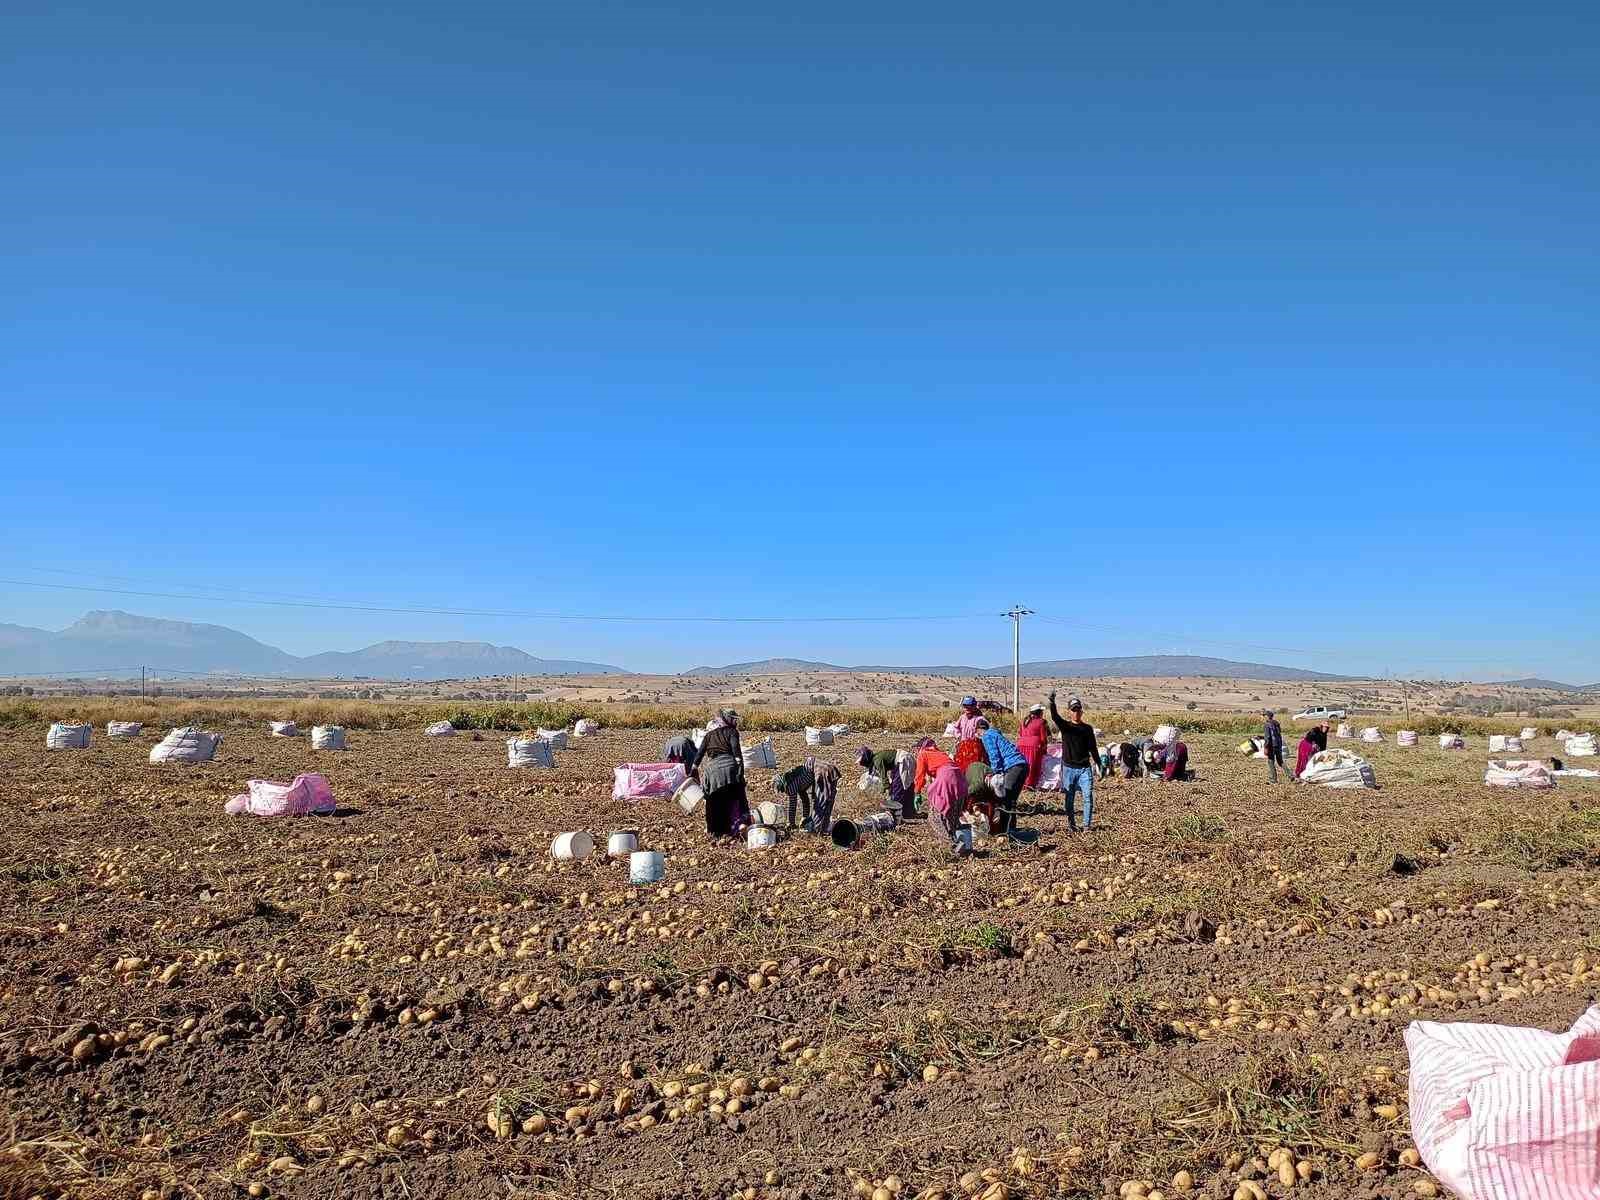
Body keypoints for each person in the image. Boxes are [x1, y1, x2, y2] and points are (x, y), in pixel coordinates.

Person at [1048, 691, 1100, 831]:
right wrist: (1052, 703)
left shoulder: (1087, 729)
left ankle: (1086, 826)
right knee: (1069, 798)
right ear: (1069, 712)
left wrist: (1100, 764)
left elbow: (1093, 748)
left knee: (1087, 796)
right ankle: (1072, 825)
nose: (1076, 712)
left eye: (1078, 709)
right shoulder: (1066, 727)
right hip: (1069, 768)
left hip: (1084, 768)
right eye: (1073, 710)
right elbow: (1055, 717)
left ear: (1081, 712)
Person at [693, 709, 749, 837]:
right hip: (730, 769)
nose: (735, 721)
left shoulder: (709, 735)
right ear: (727, 719)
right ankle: (736, 828)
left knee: (714, 800)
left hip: (712, 771)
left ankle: (715, 831)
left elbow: (698, 756)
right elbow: (737, 754)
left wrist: (693, 771)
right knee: (736, 798)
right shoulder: (732, 732)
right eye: (733, 719)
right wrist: (740, 774)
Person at [976, 717, 1028, 837]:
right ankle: (1011, 829)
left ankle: (1003, 831)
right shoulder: (996, 734)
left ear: (979, 730)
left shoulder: (987, 736)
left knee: (1005, 799)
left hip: (1014, 766)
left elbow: (994, 756)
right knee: (1011, 800)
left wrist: (995, 773)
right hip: (1022, 765)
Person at [773, 757, 839, 832]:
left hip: (823, 772)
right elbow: (805, 801)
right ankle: (824, 827)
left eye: (782, 790)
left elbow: (792, 806)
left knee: (820, 803)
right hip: (830, 770)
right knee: (828, 802)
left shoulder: (790, 786)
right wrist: (805, 817)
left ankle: (817, 830)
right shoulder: (799, 781)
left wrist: (791, 824)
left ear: (783, 786)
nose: (784, 792)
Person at [924, 757, 970, 854]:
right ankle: (956, 841)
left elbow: (932, 790)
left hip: (947, 783)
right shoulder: (944, 758)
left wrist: (920, 789)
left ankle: (951, 846)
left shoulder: (925, 755)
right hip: (960, 785)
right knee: (951, 818)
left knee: (935, 818)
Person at [858, 745, 914, 818]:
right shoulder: (876, 758)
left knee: (898, 788)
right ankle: (907, 813)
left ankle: (898, 815)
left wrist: (885, 789)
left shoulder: (877, 760)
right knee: (898, 787)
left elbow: (883, 776)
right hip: (900, 761)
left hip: (903, 760)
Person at [1017, 703, 1050, 789]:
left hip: (1021, 745)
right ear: (1039, 713)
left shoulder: (1024, 721)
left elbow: (1020, 733)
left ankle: (1021, 782)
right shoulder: (1041, 722)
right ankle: (1029, 784)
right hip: (1034, 746)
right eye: (1042, 711)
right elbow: (1043, 738)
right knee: (1033, 766)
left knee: (1023, 764)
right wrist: (1044, 749)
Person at [1262, 710, 1285, 784]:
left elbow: (1268, 737)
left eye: (1264, 715)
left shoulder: (1267, 725)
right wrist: (1261, 737)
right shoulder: (1276, 723)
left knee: (1270, 762)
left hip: (1271, 746)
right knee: (1280, 761)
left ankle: (1273, 780)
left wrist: (1266, 747)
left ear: (1267, 716)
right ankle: (1291, 776)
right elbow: (1275, 734)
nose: (1263, 717)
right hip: (1278, 744)